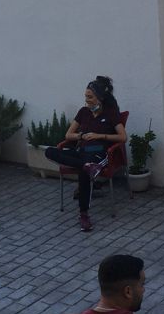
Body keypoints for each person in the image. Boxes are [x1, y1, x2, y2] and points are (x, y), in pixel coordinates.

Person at [43, 76, 126, 232]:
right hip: (81, 153)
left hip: (98, 154)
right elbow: (68, 135)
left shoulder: (110, 113)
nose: (87, 100)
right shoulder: (83, 112)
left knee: (84, 172)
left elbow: (123, 137)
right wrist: (81, 136)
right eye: (85, 97)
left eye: (90, 97)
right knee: (49, 151)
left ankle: (84, 214)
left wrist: (99, 136)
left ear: (100, 98)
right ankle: (87, 166)